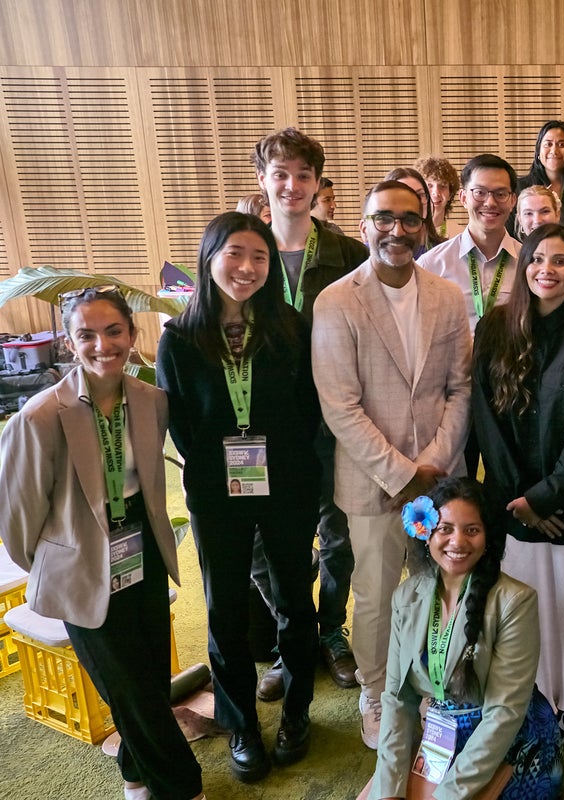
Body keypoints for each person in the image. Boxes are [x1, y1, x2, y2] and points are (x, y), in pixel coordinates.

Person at [0, 287, 206, 800]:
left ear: (133, 336)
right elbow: (18, 519)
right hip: (81, 559)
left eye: (114, 331)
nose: (102, 344)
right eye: (86, 334)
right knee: (129, 689)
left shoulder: (151, 401)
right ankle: (184, 787)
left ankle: (134, 776)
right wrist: (60, 560)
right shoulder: (41, 417)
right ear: (70, 343)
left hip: (140, 546)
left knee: (152, 679)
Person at [158, 212, 321, 782]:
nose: (247, 267)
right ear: (208, 258)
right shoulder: (179, 337)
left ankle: (298, 710)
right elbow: (179, 421)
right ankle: (241, 723)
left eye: (260, 257)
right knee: (224, 608)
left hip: (289, 485)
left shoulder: (291, 326)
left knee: (296, 601)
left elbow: (308, 408)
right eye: (235, 254)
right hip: (216, 492)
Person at [312, 179, 473, 750]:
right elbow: (340, 404)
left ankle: (431, 686)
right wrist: (403, 474)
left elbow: (460, 389)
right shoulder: (335, 301)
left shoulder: (448, 297)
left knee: (437, 588)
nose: (396, 230)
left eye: (408, 219)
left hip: (439, 477)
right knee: (376, 593)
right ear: (364, 226)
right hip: (371, 482)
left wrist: (431, 466)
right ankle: (376, 692)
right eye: (383, 218)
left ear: (424, 227)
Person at [472, 224, 564, 735]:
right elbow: (484, 421)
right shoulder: (493, 328)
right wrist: (521, 499)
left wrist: (546, 495)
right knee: (519, 609)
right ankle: (522, 701)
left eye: (561, 261)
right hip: (511, 504)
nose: (546, 270)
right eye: (537, 259)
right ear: (523, 266)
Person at [253, 127, 366, 699]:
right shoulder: (245, 249)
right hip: (263, 424)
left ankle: (331, 631)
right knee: (266, 541)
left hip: (333, 420)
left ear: (318, 184)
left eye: (303, 175)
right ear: (262, 180)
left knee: (337, 531)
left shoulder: (347, 253)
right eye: (281, 174)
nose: (292, 185)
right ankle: (288, 634)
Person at [365, 477, 563, 800]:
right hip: (442, 735)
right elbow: (397, 699)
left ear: (487, 537)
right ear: (425, 532)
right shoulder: (406, 597)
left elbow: (503, 714)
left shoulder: (515, 601)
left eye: (472, 530)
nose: (457, 542)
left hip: (511, 743)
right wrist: (389, 790)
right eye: (445, 529)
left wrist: (448, 796)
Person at [419, 154, 522, 332]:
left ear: (513, 200)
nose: (490, 202)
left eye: (500, 194)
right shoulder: (431, 265)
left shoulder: (528, 262)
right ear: (464, 198)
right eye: (480, 193)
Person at [384, 166, 448, 257]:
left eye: (420, 194)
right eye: (405, 195)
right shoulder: (371, 252)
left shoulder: (445, 250)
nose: (415, 202)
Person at [414, 154, 462, 239]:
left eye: (442, 186)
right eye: (429, 185)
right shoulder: (407, 233)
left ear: (450, 194)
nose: (436, 193)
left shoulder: (460, 235)